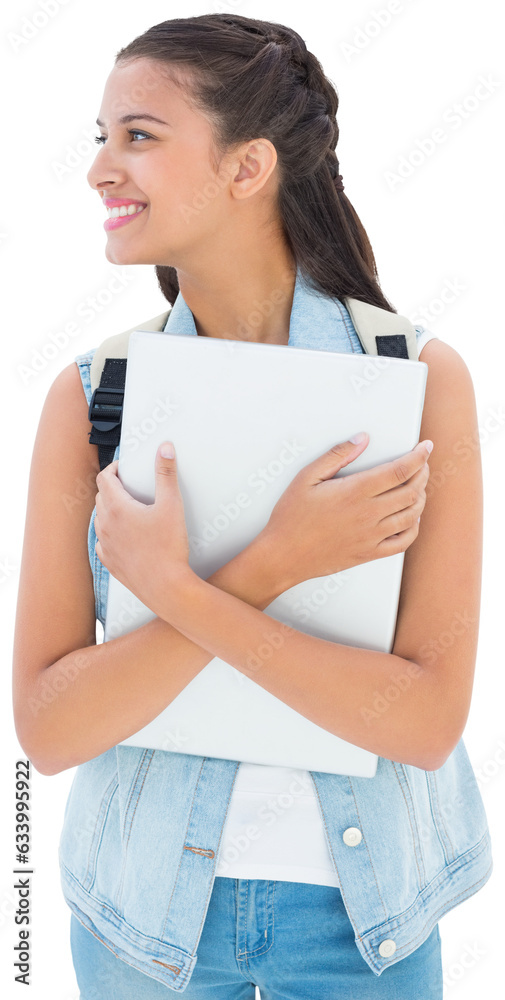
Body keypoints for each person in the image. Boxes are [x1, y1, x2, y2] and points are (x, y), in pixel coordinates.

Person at [12, 13, 492, 999]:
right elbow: (50, 730)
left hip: (364, 930)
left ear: (248, 167)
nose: (101, 168)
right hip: (144, 927)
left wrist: (175, 587)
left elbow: (423, 721)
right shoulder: (92, 398)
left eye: (137, 135)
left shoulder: (417, 384)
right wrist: (271, 563)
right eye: (100, 136)